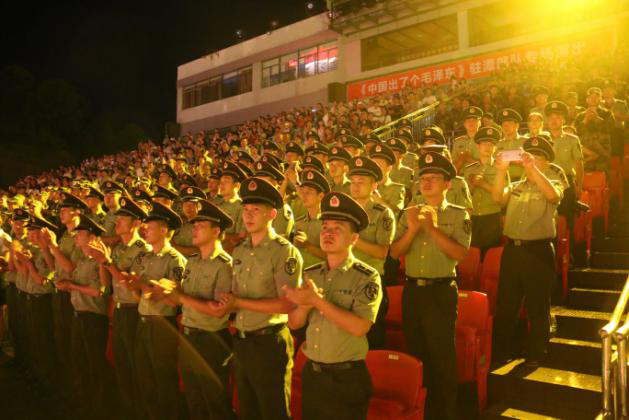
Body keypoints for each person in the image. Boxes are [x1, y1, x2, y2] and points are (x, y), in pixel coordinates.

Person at [284, 191, 382, 420]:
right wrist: (306, 305)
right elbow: (294, 322)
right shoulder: (311, 274)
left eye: (337, 228)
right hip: (313, 374)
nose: (328, 233)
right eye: (325, 227)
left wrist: (318, 301)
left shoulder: (366, 277)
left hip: (345, 379)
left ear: (354, 238)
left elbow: (360, 327)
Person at [390, 151, 471, 420]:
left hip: (440, 291)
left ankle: (446, 412)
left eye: (434, 178)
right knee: (417, 353)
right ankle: (422, 411)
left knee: (442, 356)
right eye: (423, 177)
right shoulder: (408, 213)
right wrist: (413, 228)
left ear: (448, 184)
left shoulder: (458, 214)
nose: (426, 182)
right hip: (413, 290)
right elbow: (394, 252)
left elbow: (460, 254)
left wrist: (433, 228)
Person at [219, 177, 303, 420]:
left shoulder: (283, 251)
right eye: (245, 209)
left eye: (256, 210)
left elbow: (288, 304)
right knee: (247, 411)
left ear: (272, 214)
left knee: (272, 411)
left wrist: (239, 303)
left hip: (269, 342)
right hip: (243, 341)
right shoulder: (241, 250)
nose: (248, 215)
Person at [152, 199, 237, 420]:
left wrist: (181, 296)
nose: (194, 229)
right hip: (189, 336)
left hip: (212, 341)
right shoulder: (193, 262)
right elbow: (182, 299)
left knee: (216, 403)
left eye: (200, 226)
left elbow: (219, 310)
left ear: (216, 231)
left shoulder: (225, 264)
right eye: (194, 225)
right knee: (195, 401)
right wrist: (167, 292)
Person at [492, 136, 564, 368]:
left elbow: (553, 196)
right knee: (506, 304)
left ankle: (537, 352)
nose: (528, 160)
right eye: (526, 157)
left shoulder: (553, 178)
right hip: (513, 250)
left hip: (538, 250)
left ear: (546, 162)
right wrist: (502, 171)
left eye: (536, 157)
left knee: (537, 304)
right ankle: (503, 350)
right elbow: (497, 198)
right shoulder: (517, 185)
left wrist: (533, 170)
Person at [88, 197, 150, 420]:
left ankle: (141, 412)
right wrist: (100, 261)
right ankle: (127, 411)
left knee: (136, 367)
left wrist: (106, 262)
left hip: (135, 310)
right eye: (118, 217)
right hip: (120, 309)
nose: (117, 222)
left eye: (123, 218)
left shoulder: (143, 249)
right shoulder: (118, 248)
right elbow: (108, 282)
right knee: (122, 365)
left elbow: (131, 283)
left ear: (136, 223)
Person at [129, 202, 187, 420]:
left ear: (164, 230)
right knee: (145, 377)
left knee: (164, 380)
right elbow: (143, 294)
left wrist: (143, 286)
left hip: (162, 325)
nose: (145, 230)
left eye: (150, 227)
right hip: (144, 319)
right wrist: (136, 288)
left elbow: (172, 299)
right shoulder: (146, 257)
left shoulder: (175, 260)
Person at [56, 215, 113, 418]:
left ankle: (98, 409)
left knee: (94, 365)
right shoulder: (81, 259)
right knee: (79, 362)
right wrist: (66, 284)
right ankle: (83, 404)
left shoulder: (100, 259)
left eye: (79, 234)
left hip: (93, 318)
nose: (76, 238)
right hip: (79, 314)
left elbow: (100, 291)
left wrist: (71, 286)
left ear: (90, 238)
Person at [348, 156, 394, 348]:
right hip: (345, 279)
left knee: (372, 339)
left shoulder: (382, 213)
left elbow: (382, 252)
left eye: (362, 182)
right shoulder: (344, 212)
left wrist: (353, 240)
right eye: (353, 182)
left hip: (370, 281)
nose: (356, 186)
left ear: (374, 185)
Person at [461, 126, 505, 255]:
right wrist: (472, 186)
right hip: (472, 217)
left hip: (491, 217)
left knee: (490, 254)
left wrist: (482, 183)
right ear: (478, 146)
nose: (487, 147)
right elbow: (464, 195)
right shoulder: (469, 168)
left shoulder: (501, 168)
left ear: (495, 147)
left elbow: (501, 196)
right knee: (470, 255)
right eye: (484, 143)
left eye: (491, 144)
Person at [292, 169, 329, 268]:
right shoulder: (298, 223)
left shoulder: (328, 224)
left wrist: (307, 246)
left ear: (320, 196)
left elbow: (333, 257)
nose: (303, 195)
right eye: (303, 191)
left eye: (308, 192)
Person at [452, 106, 483, 171]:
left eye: (474, 120)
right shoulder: (458, 142)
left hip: (480, 177)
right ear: (464, 124)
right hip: (462, 178)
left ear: (480, 123)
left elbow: (490, 165)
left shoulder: (486, 141)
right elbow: (452, 169)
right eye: (468, 120)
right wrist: (461, 160)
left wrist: (470, 159)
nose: (471, 122)